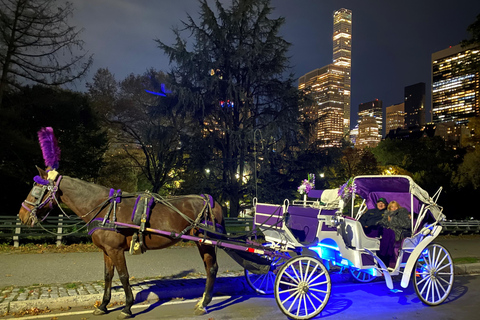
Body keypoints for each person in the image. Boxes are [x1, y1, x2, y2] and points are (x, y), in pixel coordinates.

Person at [376, 201, 411, 267]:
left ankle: (384, 257)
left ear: (398, 207)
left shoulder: (402, 213)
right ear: (389, 208)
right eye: (392, 207)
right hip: (388, 230)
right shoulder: (387, 214)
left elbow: (406, 224)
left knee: (387, 234)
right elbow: (384, 222)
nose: (394, 208)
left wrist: (392, 220)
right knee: (381, 231)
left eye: (396, 207)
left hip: (399, 231)